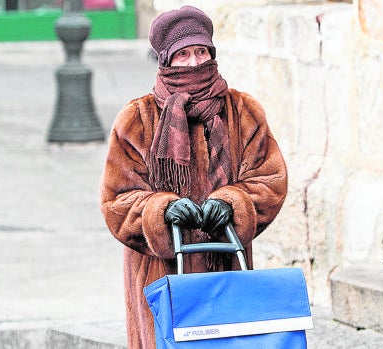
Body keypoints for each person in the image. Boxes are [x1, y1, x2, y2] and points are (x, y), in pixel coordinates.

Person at [100, 5, 288, 349]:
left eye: (201, 51)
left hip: (227, 267)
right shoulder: (136, 118)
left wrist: (233, 203)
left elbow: (269, 179)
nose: (193, 62)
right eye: (183, 54)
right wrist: (159, 211)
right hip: (160, 275)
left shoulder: (243, 110)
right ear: (165, 60)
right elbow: (117, 201)